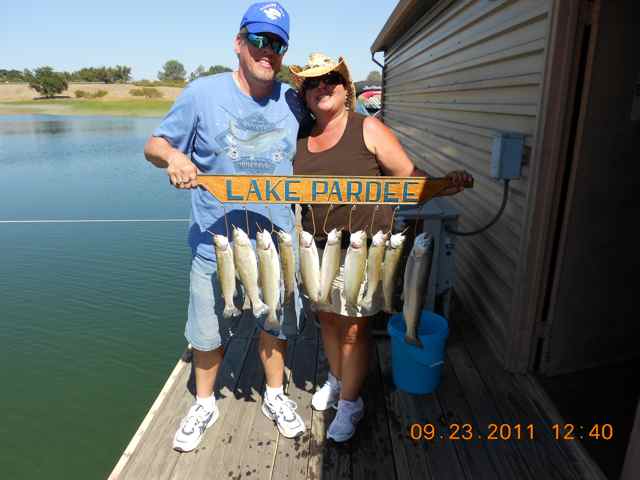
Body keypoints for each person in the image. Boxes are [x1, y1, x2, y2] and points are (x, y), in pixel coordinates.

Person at [144, 2, 307, 452]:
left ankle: (274, 395)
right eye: (258, 40)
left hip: (276, 243)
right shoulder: (201, 94)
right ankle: (203, 402)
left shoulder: (293, 99)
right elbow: (154, 144)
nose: (266, 50)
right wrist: (175, 158)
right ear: (239, 43)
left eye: (276, 44)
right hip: (214, 243)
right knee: (207, 329)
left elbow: (337, 130)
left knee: (274, 324)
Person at [289, 53, 471, 442]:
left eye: (330, 80)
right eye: (312, 83)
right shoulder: (301, 136)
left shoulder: (368, 128)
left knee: (354, 328)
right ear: (303, 95)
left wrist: (441, 183)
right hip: (316, 247)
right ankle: (337, 380)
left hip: (365, 247)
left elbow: (408, 176)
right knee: (328, 319)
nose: (322, 87)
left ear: (345, 89)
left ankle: (351, 403)